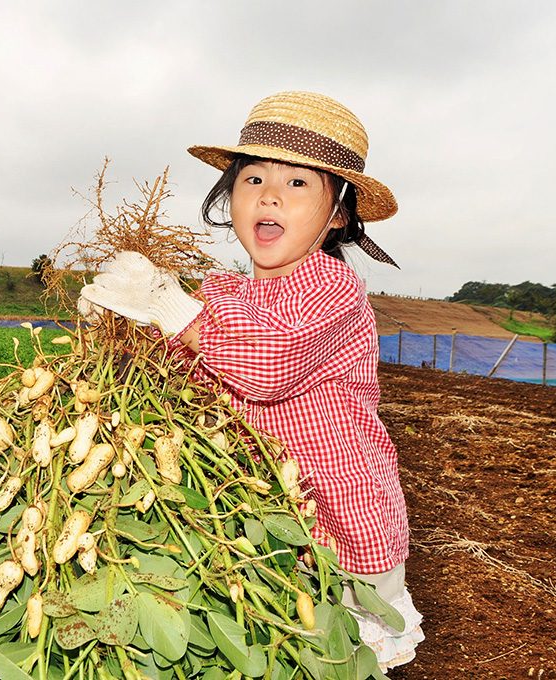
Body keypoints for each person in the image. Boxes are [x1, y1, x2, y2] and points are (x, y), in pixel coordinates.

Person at [80, 91, 423, 670]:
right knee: (277, 650)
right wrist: (123, 327)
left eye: (298, 183)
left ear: (338, 214)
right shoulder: (225, 292)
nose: (269, 194)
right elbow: (187, 366)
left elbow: (267, 366)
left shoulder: (333, 288)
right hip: (260, 515)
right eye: (253, 178)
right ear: (230, 196)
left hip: (341, 520)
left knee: (348, 656)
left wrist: (173, 309)